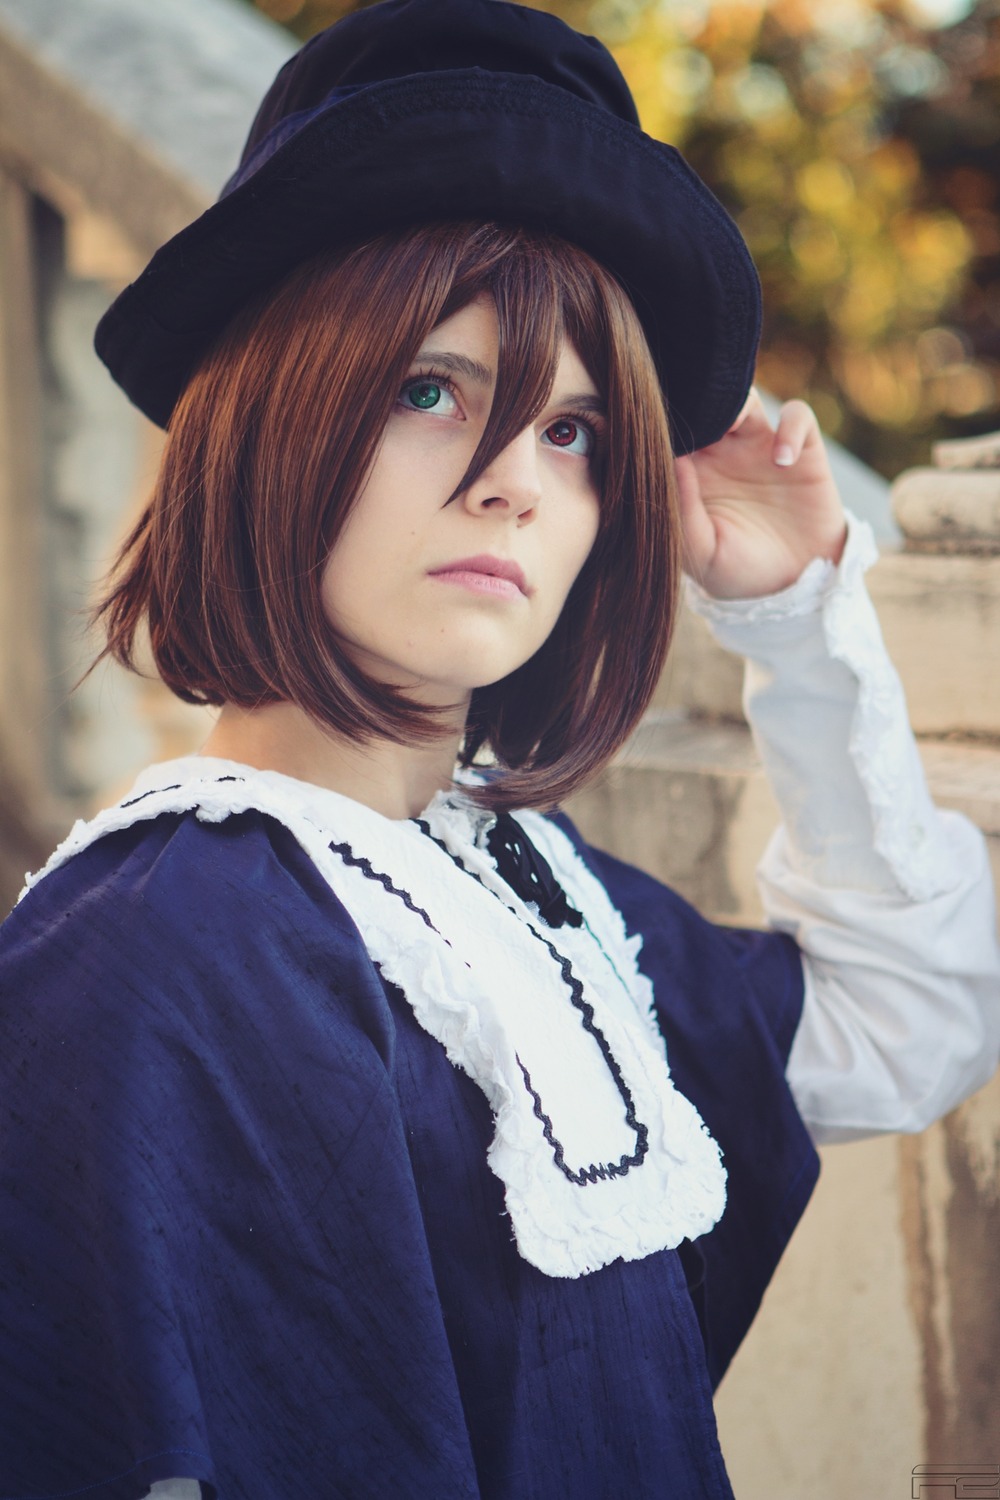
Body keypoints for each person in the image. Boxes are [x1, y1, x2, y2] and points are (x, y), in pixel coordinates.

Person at [0, 2, 997, 1497]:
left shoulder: (515, 892)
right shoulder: (165, 942)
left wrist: (798, 618)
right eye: (430, 390)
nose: (513, 487)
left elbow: (906, 1021)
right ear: (270, 422)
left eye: (577, 431)